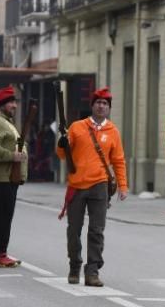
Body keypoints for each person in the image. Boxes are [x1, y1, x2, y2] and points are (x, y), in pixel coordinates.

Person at [55, 87, 128, 287]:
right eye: (98, 102)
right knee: (73, 230)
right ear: (92, 105)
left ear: (109, 108)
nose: (101, 106)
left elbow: (119, 160)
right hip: (77, 185)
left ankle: (92, 271)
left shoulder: (113, 131)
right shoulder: (77, 127)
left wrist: (123, 186)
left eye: (105, 103)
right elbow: (62, 155)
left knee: (97, 231)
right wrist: (62, 144)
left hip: (100, 185)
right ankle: (74, 267)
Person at [0, 85, 27, 268]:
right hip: (1, 178)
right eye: (10, 102)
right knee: (2, 216)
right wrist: (12, 156)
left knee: (5, 216)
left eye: (15, 102)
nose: (14, 106)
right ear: (1, 104)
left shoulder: (5, 121)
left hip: (8, 178)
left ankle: (1, 253)